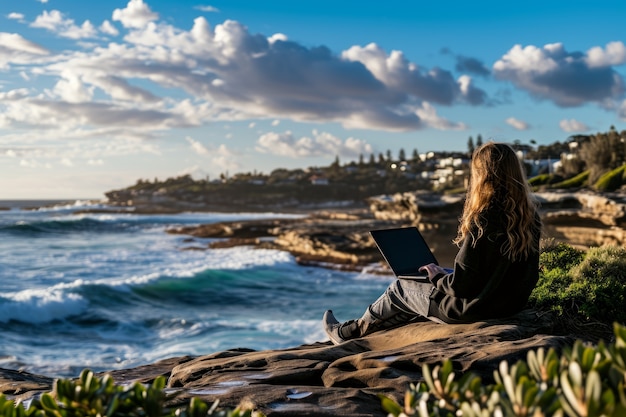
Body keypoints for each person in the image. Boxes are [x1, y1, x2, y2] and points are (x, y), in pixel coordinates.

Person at [323, 142, 542, 344]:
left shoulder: (484, 218)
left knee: (401, 287)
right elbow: (525, 276)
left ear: (482, 176)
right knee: (432, 279)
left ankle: (347, 333)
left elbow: (462, 285)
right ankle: (373, 332)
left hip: (469, 310)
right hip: (506, 307)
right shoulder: (529, 218)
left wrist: (437, 277)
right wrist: (444, 276)